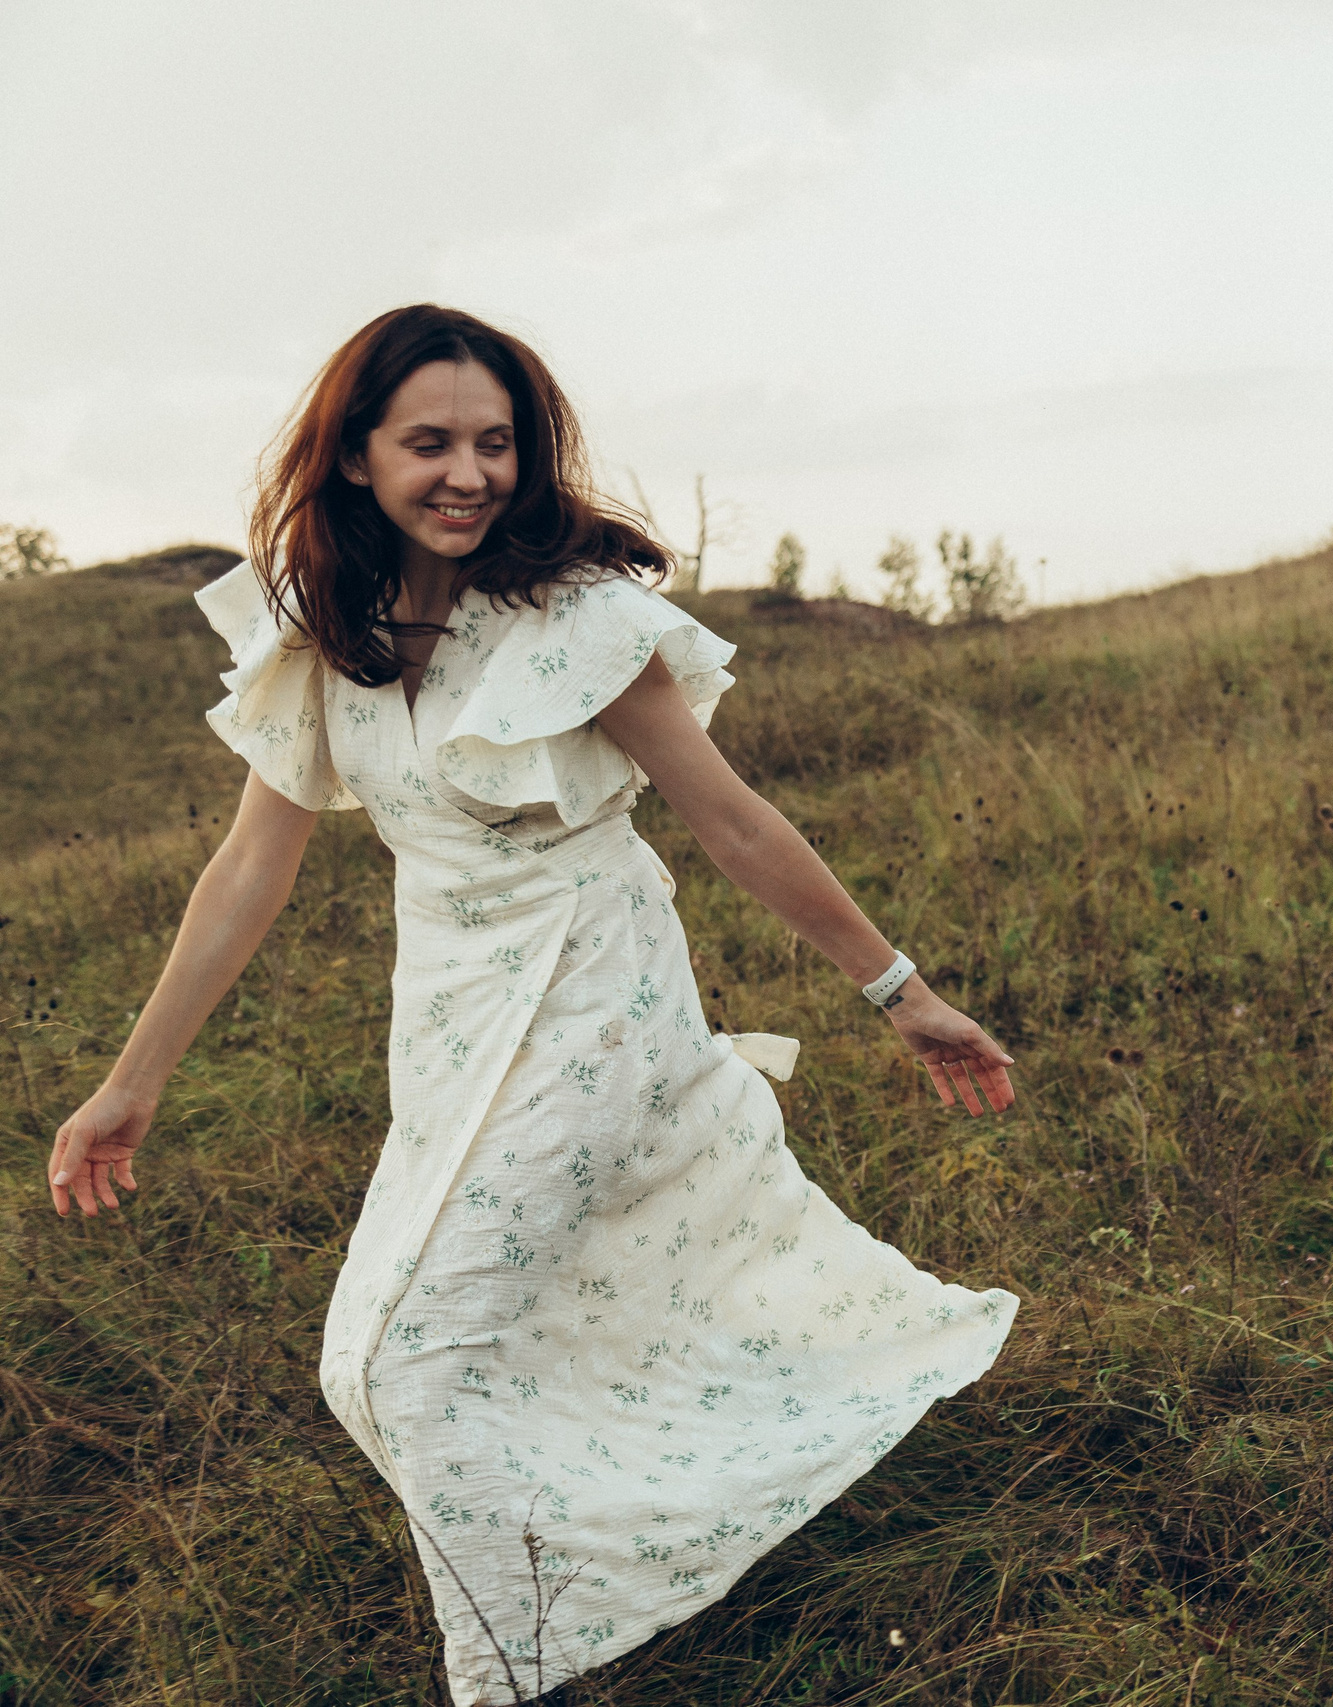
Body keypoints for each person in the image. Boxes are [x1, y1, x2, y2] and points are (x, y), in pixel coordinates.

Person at [45, 304, 1021, 1702]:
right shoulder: (323, 626)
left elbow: (733, 820)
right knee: (420, 1346)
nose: (469, 472)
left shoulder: (578, 620)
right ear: (355, 459)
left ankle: (524, 1663)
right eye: (429, 441)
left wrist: (898, 990)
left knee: (407, 1359)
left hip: (593, 990)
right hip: (446, 1004)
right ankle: (619, 1556)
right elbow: (250, 864)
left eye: (495, 442)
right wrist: (131, 1082)